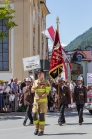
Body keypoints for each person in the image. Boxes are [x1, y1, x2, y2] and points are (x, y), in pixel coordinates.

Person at [31, 69, 51, 136]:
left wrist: (40, 98)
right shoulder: (35, 82)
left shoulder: (46, 82)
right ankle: (36, 128)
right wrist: (34, 88)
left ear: (43, 74)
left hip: (43, 102)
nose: (38, 75)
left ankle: (41, 130)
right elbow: (32, 91)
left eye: (40, 73)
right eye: (38, 73)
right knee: (34, 115)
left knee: (41, 116)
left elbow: (47, 93)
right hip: (35, 102)